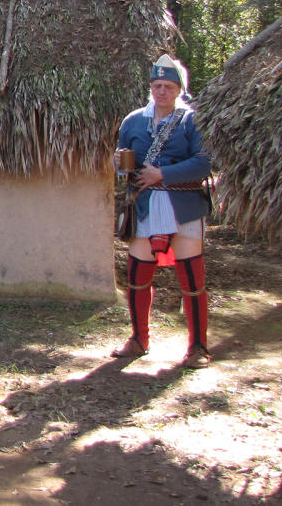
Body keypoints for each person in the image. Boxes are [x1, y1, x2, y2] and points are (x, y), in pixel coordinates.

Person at [111, 55, 213, 368]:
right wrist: (119, 165)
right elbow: (123, 165)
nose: (162, 91)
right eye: (157, 85)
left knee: (191, 278)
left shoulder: (192, 121)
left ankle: (197, 346)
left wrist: (163, 174)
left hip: (183, 203)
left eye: (168, 86)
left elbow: (205, 161)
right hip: (144, 204)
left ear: (179, 89)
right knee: (139, 275)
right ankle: (139, 338)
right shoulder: (133, 121)